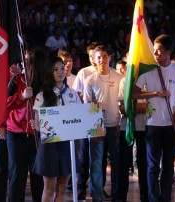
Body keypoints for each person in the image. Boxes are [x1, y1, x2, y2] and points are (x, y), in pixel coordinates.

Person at [132, 34, 175, 201]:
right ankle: (154, 198)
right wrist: (155, 93)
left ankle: (166, 197)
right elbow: (134, 93)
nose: (155, 54)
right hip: (152, 124)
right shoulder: (149, 70)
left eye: (158, 51)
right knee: (152, 166)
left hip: (171, 123)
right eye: (154, 50)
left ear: (167, 52)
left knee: (168, 166)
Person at [31, 56, 81, 201]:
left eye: (62, 68)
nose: (60, 72)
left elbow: (80, 119)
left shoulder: (73, 94)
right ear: (49, 73)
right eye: (55, 69)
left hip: (68, 145)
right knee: (50, 188)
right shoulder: (42, 96)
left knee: (62, 187)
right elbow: (39, 124)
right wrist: (39, 124)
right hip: (49, 145)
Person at [6, 47, 46, 202]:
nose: (23, 63)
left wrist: (39, 123)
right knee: (17, 175)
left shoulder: (45, 85)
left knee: (38, 177)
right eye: (24, 59)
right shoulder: (16, 81)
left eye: (28, 61)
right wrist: (21, 97)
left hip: (38, 135)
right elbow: (4, 105)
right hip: (16, 133)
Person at [83, 45, 123, 202]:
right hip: (97, 129)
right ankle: (97, 196)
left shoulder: (118, 76)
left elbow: (122, 102)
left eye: (105, 56)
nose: (102, 60)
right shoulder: (90, 80)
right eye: (98, 57)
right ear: (93, 59)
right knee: (96, 164)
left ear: (110, 58)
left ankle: (117, 195)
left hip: (116, 126)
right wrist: (92, 129)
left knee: (117, 164)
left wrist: (121, 122)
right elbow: (87, 107)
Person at [71, 41, 102, 200]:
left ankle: (99, 189)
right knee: (84, 155)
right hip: (86, 117)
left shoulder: (107, 72)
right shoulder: (84, 73)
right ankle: (81, 187)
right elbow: (76, 95)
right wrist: (87, 100)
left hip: (101, 118)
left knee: (99, 158)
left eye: (95, 56)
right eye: (90, 56)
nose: (93, 59)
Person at [116, 60, 148, 202]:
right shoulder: (124, 82)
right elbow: (123, 108)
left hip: (144, 127)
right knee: (124, 163)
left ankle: (145, 196)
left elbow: (151, 107)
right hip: (126, 126)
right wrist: (142, 108)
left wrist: (133, 108)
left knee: (144, 164)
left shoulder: (147, 79)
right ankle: (121, 197)